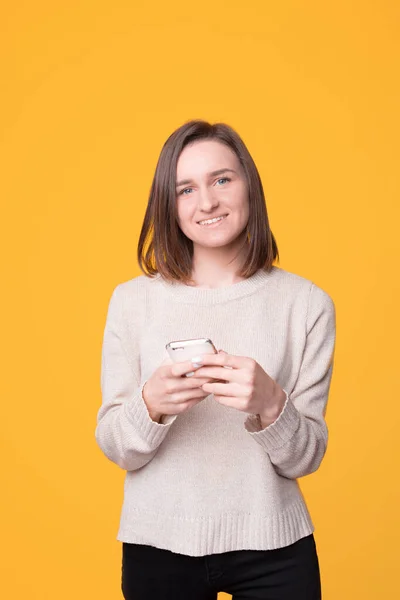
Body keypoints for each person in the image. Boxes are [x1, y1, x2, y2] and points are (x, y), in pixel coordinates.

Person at [95, 119, 336, 600]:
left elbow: (306, 458)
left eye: (222, 179)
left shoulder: (306, 304)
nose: (207, 202)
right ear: (170, 205)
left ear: (250, 185)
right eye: (185, 189)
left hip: (274, 548)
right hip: (157, 544)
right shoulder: (131, 302)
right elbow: (116, 445)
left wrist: (271, 404)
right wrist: (151, 405)